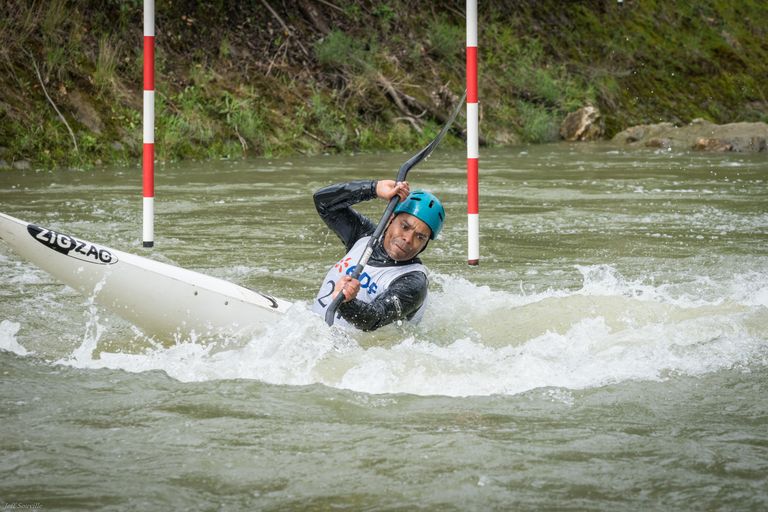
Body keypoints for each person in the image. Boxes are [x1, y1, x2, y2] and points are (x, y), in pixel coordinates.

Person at [312, 179, 445, 331]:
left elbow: (373, 319)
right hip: (315, 326)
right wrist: (373, 188)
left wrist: (347, 302)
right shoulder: (364, 236)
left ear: (425, 244)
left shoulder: (413, 282)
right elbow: (323, 202)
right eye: (405, 226)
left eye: (420, 237)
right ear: (390, 219)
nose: (408, 239)